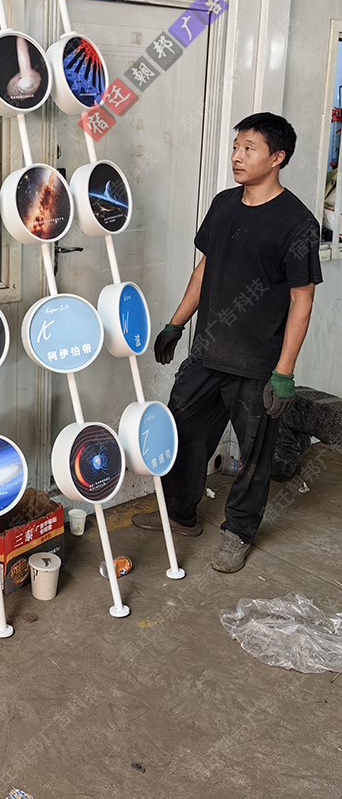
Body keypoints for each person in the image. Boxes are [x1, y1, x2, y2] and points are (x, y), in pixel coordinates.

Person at [132, 113, 322, 572]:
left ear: (277, 158)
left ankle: (238, 532)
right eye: (236, 146)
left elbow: (302, 301)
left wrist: (284, 373)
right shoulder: (223, 204)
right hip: (206, 353)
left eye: (249, 148)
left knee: (254, 456)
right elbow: (205, 268)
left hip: (258, 364)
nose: (236, 156)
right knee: (183, 435)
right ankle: (180, 515)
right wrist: (176, 324)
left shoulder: (297, 223)